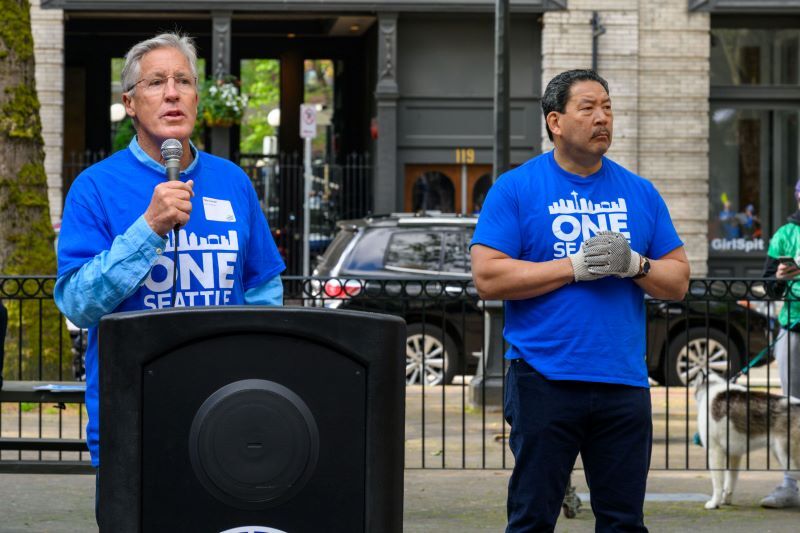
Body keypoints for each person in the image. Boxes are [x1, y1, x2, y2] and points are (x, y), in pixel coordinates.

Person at [54, 33, 285, 520]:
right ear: (130, 103)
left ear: (197, 98)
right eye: (156, 82)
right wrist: (149, 228)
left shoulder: (233, 183)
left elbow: (264, 294)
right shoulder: (94, 187)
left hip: (226, 415)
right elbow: (76, 302)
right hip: (133, 420)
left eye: (183, 80)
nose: (172, 92)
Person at [470, 69, 690, 532]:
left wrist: (636, 265)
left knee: (623, 522)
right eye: (588, 108)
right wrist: (574, 268)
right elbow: (488, 277)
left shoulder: (640, 192)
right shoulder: (515, 188)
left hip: (624, 380)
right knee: (532, 517)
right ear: (555, 121)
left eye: (607, 107)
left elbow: (678, 281)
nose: (602, 118)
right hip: (543, 379)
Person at [759, 180, 800, 508]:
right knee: (792, 406)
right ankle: (790, 483)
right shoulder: (785, 234)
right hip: (793, 327)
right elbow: (768, 286)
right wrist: (778, 280)